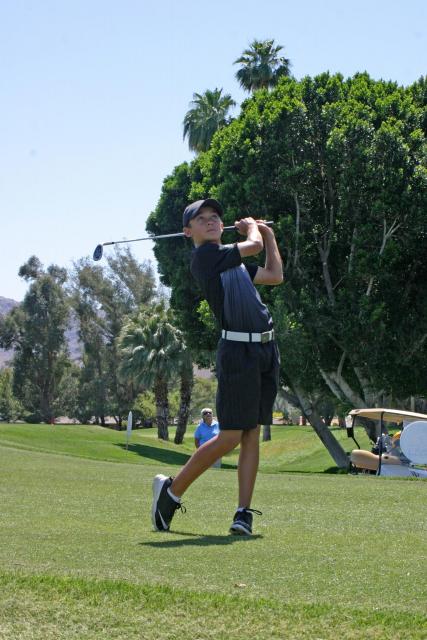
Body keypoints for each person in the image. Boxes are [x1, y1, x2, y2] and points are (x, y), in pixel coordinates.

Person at [151, 198, 283, 535]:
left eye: (215, 217)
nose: (211, 222)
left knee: (251, 433)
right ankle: (172, 491)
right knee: (229, 437)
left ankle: (243, 513)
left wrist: (268, 235)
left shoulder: (232, 262)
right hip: (237, 352)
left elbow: (274, 275)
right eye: (202, 219)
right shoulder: (205, 257)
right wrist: (254, 230)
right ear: (187, 231)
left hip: (265, 350)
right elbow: (250, 246)